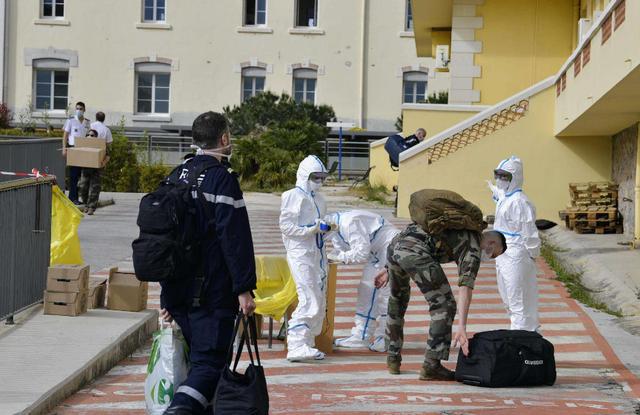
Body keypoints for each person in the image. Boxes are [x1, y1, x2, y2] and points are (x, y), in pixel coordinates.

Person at [160, 112, 257, 415]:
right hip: (211, 295)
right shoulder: (222, 180)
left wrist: (165, 294)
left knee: (197, 361)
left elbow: (162, 238)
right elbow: (235, 239)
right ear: (224, 139)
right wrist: (244, 289)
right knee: (210, 364)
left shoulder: (174, 176)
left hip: (177, 292)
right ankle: (177, 410)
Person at [377, 225, 506, 380]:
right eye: (493, 254)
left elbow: (413, 233)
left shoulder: (460, 225)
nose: (489, 257)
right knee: (444, 304)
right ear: (491, 243)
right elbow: (465, 288)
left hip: (395, 246)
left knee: (397, 300)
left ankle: (393, 359)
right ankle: (432, 365)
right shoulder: (473, 246)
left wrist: (389, 266)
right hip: (415, 252)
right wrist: (462, 327)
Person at [324, 209, 399, 352]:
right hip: (376, 253)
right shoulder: (335, 230)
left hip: (390, 248)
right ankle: (361, 335)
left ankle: (386, 338)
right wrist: (334, 257)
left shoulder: (349, 222)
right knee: (366, 290)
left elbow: (360, 254)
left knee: (386, 295)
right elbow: (343, 252)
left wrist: (337, 258)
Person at [279, 155, 330, 362]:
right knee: (308, 298)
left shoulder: (319, 199)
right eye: (315, 177)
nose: (319, 181)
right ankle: (296, 345)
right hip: (300, 253)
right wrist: (312, 229)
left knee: (319, 298)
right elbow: (286, 227)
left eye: (322, 177)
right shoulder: (293, 196)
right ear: (304, 175)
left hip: (317, 253)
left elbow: (319, 225)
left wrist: (325, 228)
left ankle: (307, 343)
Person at [489, 156, 541, 332]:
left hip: (516, 255)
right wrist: (495, 190)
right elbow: (500, 195)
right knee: (509, 301)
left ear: (515, 177)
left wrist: (532, 254)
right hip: (502, 254)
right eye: (498, 175)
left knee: (520, 302)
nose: (500, 180)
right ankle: (518, 340)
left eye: (505, 176)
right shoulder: (507, 197)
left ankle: (524, 343)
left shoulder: (520, 202)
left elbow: (529, 233)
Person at [79, 112, 113, 215]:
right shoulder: (100, 129)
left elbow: (108, 154)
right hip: (86, 167)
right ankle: (86, 204)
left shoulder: (99, 143)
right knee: (83, 186)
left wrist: (103, 162)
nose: (90, 136)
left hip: (97, 167)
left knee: (94, 187)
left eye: (92, 135)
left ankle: (91, 207)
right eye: (89, 135)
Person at [62, 101, 91, 204]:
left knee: (81, 175)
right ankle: (72, 198)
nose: (79, 110)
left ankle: (78, 198)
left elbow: (89, 136)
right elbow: (65, 135)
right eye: (77, 108)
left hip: (83, 150)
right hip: (73, 148)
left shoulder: (87, 122)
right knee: (73, 174)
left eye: (81, 109)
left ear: (84, 110)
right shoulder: (70, 121)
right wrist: (64, 148)